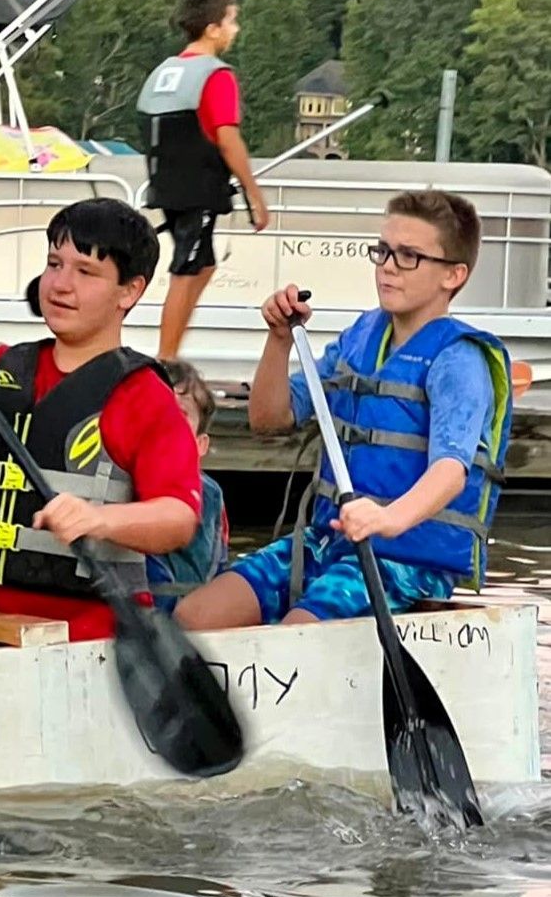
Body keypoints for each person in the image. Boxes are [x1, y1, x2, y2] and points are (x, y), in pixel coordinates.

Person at [175, 190, 512, 630]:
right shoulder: (360, 338)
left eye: (409, 256)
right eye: (383, 251)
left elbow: (451, 470)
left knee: (298, 633)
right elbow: (269, 419)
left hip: (403, 561)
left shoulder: (459, 361)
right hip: (327, 541)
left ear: (454, 275)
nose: (388, 266)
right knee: (192, 617)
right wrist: (278, 340)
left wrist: (386, 519)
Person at [0, 197, 203, 641]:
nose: (60, 285)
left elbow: (179, 516)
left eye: (85, 272)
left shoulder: (145, 396)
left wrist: (99, 521)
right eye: (54, 264)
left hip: (89, 636)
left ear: (130, 291)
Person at [136, 0, 270, 361]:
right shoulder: (216, 75)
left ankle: (174, 347)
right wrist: (254, 198)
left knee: (203, 264)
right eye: (231, 21)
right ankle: (167, 360)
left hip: (167, 184)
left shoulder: (165, 72)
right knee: (186, 269)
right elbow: (228, 140)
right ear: (212, 28)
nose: (235, 30)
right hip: (198, 188)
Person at [146, 359, 230, 609]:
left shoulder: (212, 495)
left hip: (192, 615)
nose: (165, 425)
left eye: (179, 417)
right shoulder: (121, 483)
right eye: (155, 413)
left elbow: (219, 565)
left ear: (200, 445)